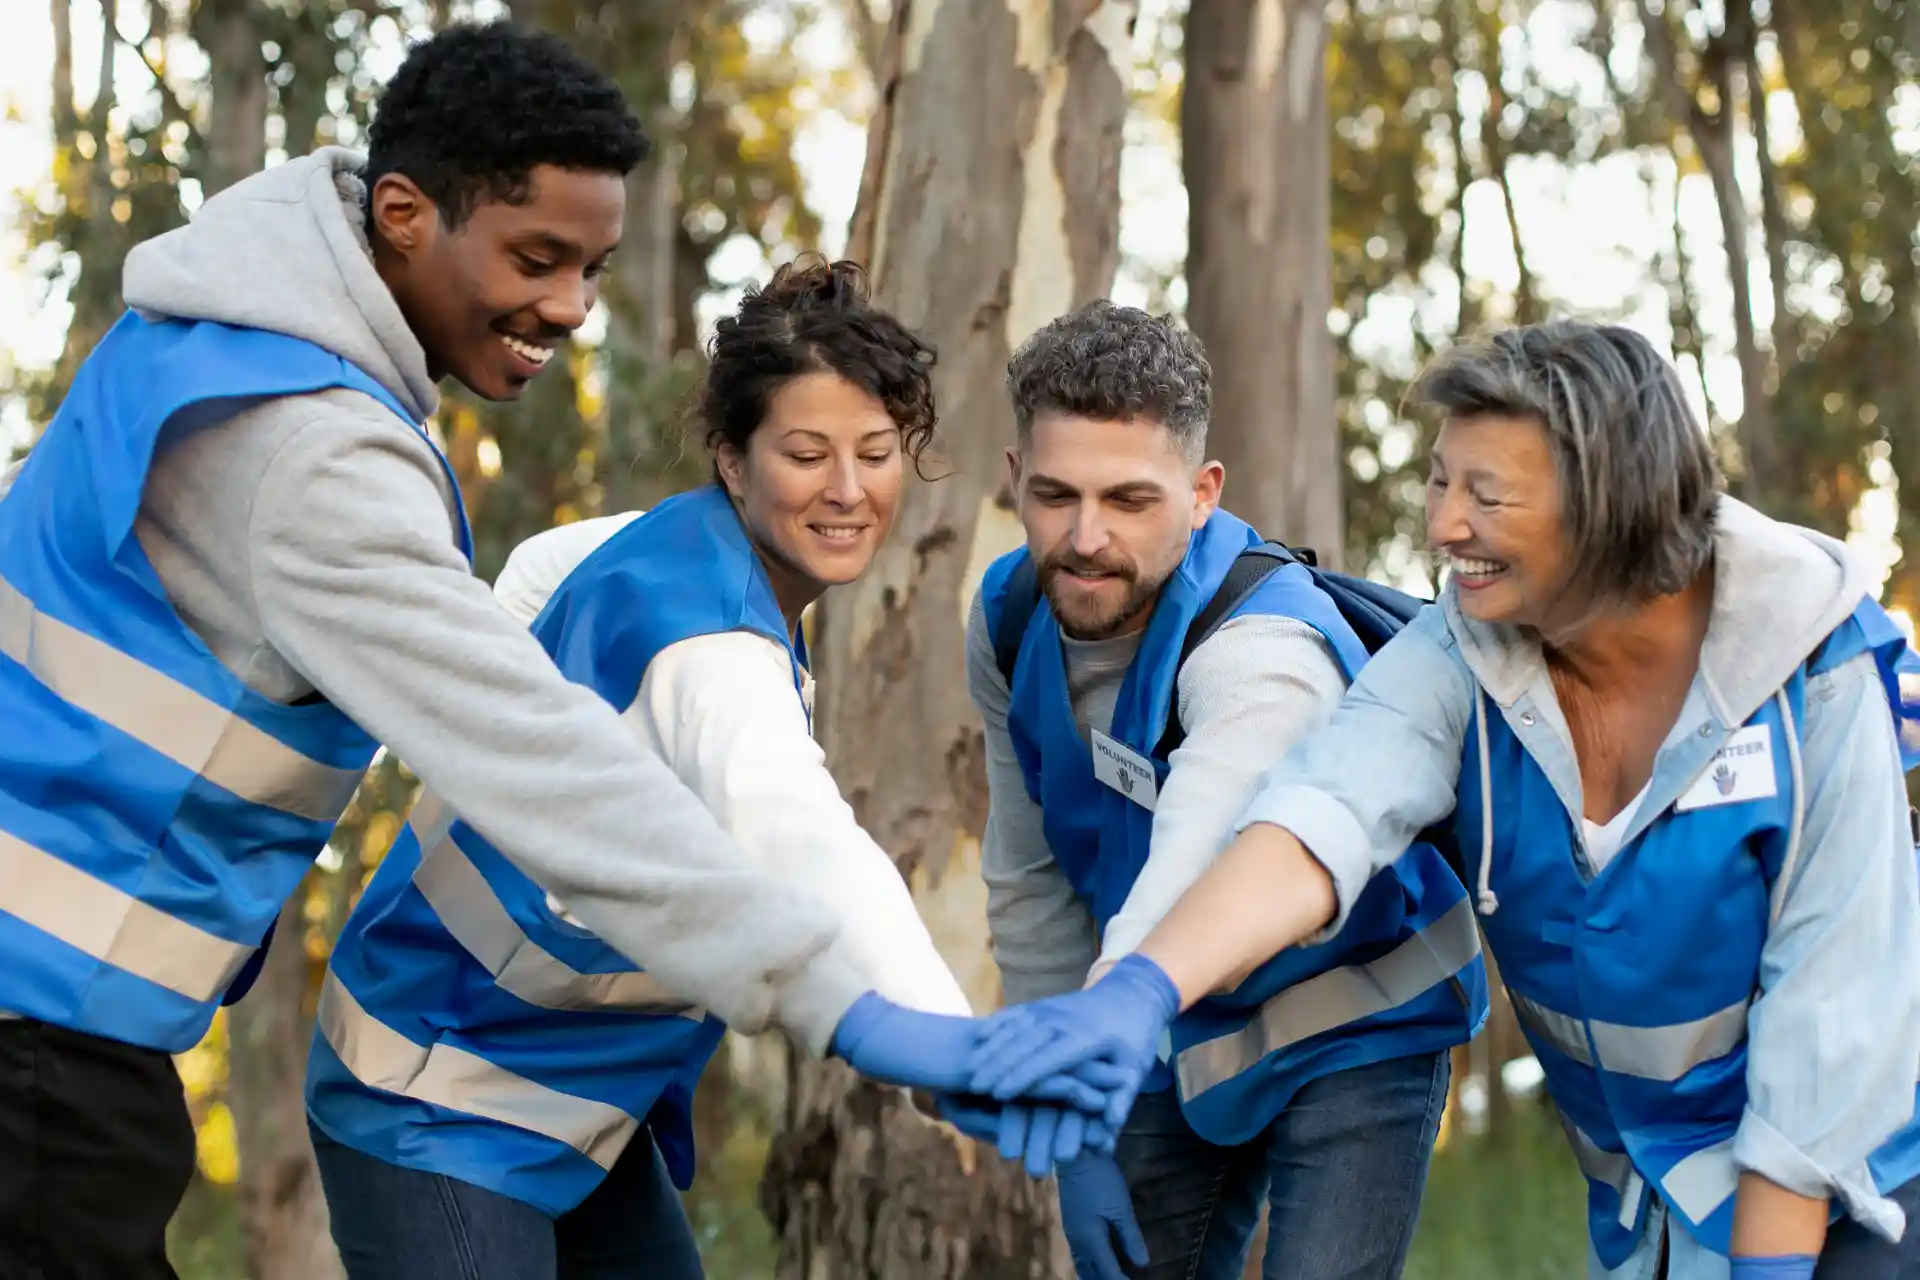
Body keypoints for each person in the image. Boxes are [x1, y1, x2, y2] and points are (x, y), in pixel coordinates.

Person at [0, 25, 999, 1279]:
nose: (572, 308)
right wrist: (859, 1007)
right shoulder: (313, 453)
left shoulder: (216, 336)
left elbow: (520, 610)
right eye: (537, 258)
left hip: (75, 1006)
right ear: (405, 214)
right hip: (47, 1020)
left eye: (593, 267)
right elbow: (546, 756)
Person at [966, 321, 1920, 1280]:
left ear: (1606, 503)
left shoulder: (1820, 683)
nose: (1444, 525)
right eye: (1439, 482)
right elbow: (1320, 815)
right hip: (1652, 1209)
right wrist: (1140, 989)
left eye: (1487, 495)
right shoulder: (1466, 651)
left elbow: (1821, 1054)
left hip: (1855, 1193)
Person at [304, 254, 1001, 1278]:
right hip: (435, 1087)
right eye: (807, 453)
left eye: (877, 450)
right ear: (732, 458)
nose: (848, 489)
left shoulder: (646, 552)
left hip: (583, 1107)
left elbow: (537, 574)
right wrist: (957, 1055)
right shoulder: (710, 647)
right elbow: (801, 838)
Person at [962, 300, 1487, 1280]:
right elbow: (1029, 875)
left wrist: (1110, 1013)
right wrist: (1072, 1113)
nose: (1085, 537)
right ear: (1012, 480)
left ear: (1203, 492)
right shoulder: (1007, 617)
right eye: (1055, 494)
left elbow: (1199, 850)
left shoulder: (1264, 646)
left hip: (1355, 1016)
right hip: (1171, 1027)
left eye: (1129, 500)